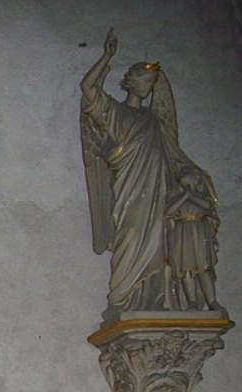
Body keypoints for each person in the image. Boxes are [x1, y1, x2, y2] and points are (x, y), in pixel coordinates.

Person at [80, 29, 190, 314]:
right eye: (145, 80)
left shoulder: (154, 121)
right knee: (129, 234)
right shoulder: (116, 113)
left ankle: (155, 300)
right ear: (130, 82)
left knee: (160, 244)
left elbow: (173, 157)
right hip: (129, 193)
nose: (149, 86)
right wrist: (107, 56)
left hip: (157, 192)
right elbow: (89, 88)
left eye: (153, 82)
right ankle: (122, 299)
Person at [166, 167, 221, 310]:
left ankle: (212, 301)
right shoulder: (177, 198)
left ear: (197, 179)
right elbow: (168, 212)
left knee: (204, 268)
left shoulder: (202, 196)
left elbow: (208, 206)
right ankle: (192, 302)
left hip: (198, 232)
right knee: (186, 270)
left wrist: (191, 196)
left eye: (187, 175)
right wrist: (185, 196)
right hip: (182, 234)